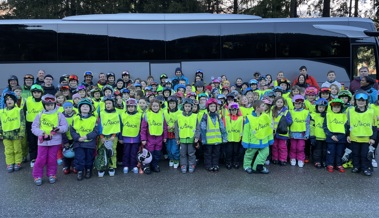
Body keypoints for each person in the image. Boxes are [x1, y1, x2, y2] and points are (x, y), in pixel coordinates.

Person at [31, 94, 68, 186]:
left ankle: (52, 174)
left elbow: (65, 126)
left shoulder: (59, 114)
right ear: (44, 105)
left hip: (55, 141)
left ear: (55, 104)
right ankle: (37, 176)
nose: (50, 106)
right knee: (40, 159)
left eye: (51, 105)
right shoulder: (40, 115)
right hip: (42, 142)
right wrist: (41, 133)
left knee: (52, 159)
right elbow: (34, 127)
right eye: (47, 105)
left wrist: (58, 129)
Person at [346, 91, 377, 176]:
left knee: (365, 154)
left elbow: (374, 126)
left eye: (363, 100)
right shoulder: (350, 111)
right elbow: (348, 124)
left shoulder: (371, 112)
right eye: (359, 100)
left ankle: (365, 168)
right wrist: (348, 135)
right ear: (355, 101)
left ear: (366, 102)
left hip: (366, 138)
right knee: (355, 153)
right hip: (354, 137)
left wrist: (373, 138)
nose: (361, 102)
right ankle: (356, 166)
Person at [71, 98, 98, 181]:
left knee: (89, 158)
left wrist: (87, 137)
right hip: (78, 143)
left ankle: (88, 170)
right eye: (83, 106)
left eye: (87, 106)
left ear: (90, 108)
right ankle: (80, 171)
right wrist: (77, 138)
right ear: (79, 108)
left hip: (89, 143)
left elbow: (96, 131)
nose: (85, 107)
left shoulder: (94, 119)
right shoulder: (75, 118)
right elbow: (72, 130)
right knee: (80, 158)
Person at [242, 100, 273, 174]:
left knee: (265, 153)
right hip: (253, 141)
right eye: (262, 106)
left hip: (264, 140)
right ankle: (247, 166)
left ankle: (257, 167)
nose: (265, 107)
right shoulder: (249, 118)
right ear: (257, 108)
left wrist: (270, 139)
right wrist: (245, 142)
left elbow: (268, 129)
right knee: (249, 155)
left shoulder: (266, 116)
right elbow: (246, 131)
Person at [0, 91, 26, 173]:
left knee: (17, 149)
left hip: (16, 135)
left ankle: (17, 162)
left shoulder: (19, 110)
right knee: (8, 150)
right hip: (6, 135)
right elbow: (0, 123)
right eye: (7, 99)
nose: (9, 101)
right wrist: (0, 133)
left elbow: (22, 122)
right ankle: (10, 163)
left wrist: (21, 133)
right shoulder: (1, 112)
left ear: (14, 101)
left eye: (11, 99)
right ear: (5, 101)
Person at [140, 99, 168, 174]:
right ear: (150, 106)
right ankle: (147, 166)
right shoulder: (147, 114)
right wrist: (143, 138)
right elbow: (143, 128)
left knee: (157, 153)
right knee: (149, 153)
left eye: (157, 106)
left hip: (159, 137)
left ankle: (154, 165)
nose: (155, 107)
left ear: (159, 107)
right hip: (150, 138)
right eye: (153, 106)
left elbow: (164, 126)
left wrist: (165, 137)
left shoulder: (161, 114)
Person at [200, 98, 227, 172]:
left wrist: (224, 137)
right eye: (211, 106)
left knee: (216, 154)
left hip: (217, 140)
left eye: (214, 106)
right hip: (209, 140)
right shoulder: (205, 116)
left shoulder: (218, 116)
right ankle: (208, 165)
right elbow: (203, 128)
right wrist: (203, 139)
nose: (212, 108)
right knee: (208, 154)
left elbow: (222, 127)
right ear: (208, 107)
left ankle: (215, 164)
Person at [175, 98, 200, 173]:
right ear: (183, 106)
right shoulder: (179, 116)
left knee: (191, 153)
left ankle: (192, 164)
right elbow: (176, 128)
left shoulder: (195, 116)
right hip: (182, 139)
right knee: (182, 153)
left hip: (191, 138)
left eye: (189, 106)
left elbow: (197, 128)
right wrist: (177, 138)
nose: (187, 108)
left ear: (191, 107)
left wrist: (196, 137)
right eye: (186, 106)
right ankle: (183, 165)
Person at [323, 98, 347, 173]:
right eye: (334, 107)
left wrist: (339, 137)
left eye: (338, 107)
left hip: (341, 138)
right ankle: (330, 164)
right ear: (331, 107)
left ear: (341, 108)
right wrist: (331, 135)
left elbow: (346, 128)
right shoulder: (328, 115)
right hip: (331, 137)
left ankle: (338, 164)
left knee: (339, 152)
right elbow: (325, 126)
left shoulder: (344, 116)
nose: (336, 109)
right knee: (331, 152)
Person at [120, 98, 142, 174]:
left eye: (132, 106)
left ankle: (133, 165)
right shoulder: (123, 115)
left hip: (136, 137)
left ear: (135, 107)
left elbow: (141, 127)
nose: (131, 108)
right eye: (129, 107)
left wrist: (141, 138)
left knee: (134, 153)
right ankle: (125, 165)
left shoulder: (139, 115)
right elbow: (120, 127)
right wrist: (120, 138)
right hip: (126, 138)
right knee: (126, 152)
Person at [24, 84, 44, 168]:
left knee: (40, 142)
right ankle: (33, 158)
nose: (36, 94)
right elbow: (24, 112)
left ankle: (41, 158)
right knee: (32, 142)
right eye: (34, 92)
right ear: (32, 93)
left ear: (41, 93)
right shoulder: (28, 100)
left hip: (41, 125)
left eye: (38, 92)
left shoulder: (44, 101)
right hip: (30, 125)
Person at [289, 95, 310, 168]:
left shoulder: (306, 112)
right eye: (296, 103)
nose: (297, 105)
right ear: (293, 104)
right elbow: (288, 124)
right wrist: (288, 133)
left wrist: (307, 134)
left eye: (299, 103)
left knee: (300, 147)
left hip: (302, 134)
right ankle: (293, 158)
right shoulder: (290, 112)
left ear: (302, 104)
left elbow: (307, 124)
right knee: (293, 147)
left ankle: (300, 159)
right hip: (293, 133)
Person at [271, 96, 292, 166]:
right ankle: (275, 158)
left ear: (284, 103)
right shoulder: (272, 110)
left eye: (281, 102)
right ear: (275, 102)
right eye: (278, 102)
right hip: (274, 132)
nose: (279, 103)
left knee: (282, 147)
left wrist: (284, 120)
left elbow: (290, 121)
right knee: (274, 146)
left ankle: (282, 159)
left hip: (283, 133)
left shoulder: (286, 111)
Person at [224, 102, 244, 169]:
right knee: (229, 151)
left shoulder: (241, 118)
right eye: (232, 110)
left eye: (235, 109)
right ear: (229, 110)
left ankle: (236, 162)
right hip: (229, 138)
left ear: (237, 110)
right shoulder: (226, 118)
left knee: (236, 151)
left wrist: (242, 137)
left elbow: (243, 128)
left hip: (237, 137)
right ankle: (228, 162)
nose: (233, 111)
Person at [310, 98, 328, 169]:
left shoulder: (327, 115)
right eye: (320, 107)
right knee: (317, 150)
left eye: (323, 107)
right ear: (317, 107)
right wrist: (312, 136)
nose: (321, 109)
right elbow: (311, 126)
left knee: (324, 150)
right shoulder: (313, 115)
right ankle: (317, 161)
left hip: (325, 136)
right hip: (317, 137)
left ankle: (323, 161)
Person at [164, 95, 181, 169]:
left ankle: (176, 159)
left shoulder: (180, 112)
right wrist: (166, 126)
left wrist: (175, 126)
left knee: (175, 149)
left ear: (176, 104)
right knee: (168, 148)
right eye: (170, 103)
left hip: (175, 134)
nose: (172, 105)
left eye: (174, 103)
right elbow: (163, 121)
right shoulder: (165, 112)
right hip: (167, 133)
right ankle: (171, 158)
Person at [61, 101, 76, 175]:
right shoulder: (61, 117)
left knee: (74, 153)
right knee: (66, 153)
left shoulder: (76, 116)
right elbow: (62, 131)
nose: (68, 109)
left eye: (70, 107)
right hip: (66, 139)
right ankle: (66, 166)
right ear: (64, 109)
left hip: (74, 138)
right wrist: (65, 141)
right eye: (66, 108)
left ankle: (74, 166)